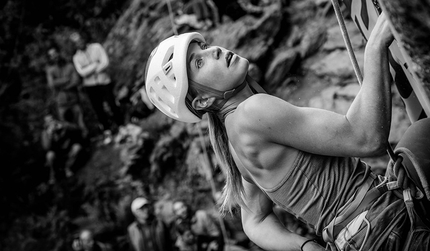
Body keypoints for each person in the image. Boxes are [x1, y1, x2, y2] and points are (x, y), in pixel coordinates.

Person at [144, 13, 430, 251]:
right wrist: (375, 47)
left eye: (204, 46)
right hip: (387, 226)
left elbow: (254, 222)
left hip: (364, 237)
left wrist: (306, 247)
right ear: (203, 101)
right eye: (199, 62)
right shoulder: (252, 112)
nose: (214, 50)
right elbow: (366, 138)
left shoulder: (234, 143)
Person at [70, 31, 123, 144]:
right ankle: (107, 130)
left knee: (112, 103)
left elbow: (105, 62)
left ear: (83, 39)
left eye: (80, 40)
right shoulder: (76, 57)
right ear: (74, 45)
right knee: (98, 109)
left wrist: (91, 69)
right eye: (76, 42)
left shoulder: (96, 47)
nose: (79, 43)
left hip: (104, 81)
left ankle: (121, 125)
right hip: (90, 86)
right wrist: (95, 65)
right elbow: (82, 73)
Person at [45, 43, 87, 137]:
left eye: (55, 53)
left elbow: (76, 80)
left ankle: (86, 141)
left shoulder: (69, 65)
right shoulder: (50, 70)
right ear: (49, 58)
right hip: (61, 103)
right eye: (51, 55)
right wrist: (66, 80)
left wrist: (62, 86)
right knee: (66, 126)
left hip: (74, 99)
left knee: (81, 122)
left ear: (58, 53)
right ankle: (76, 145)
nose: (54, 56)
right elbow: (52, 84)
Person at [41, 114, 85, 183]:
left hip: (68, 152)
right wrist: (50, 135)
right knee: (49, 155)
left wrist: (65, 126)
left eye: (52, 120)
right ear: (45, 123)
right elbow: (46, 147)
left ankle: (68, 168)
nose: (51, 123)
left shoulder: (63, 124)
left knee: (77, 147)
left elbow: (77, 129)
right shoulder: (45, 133)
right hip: (57, 156)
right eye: (48, 121)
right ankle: (54, 175)